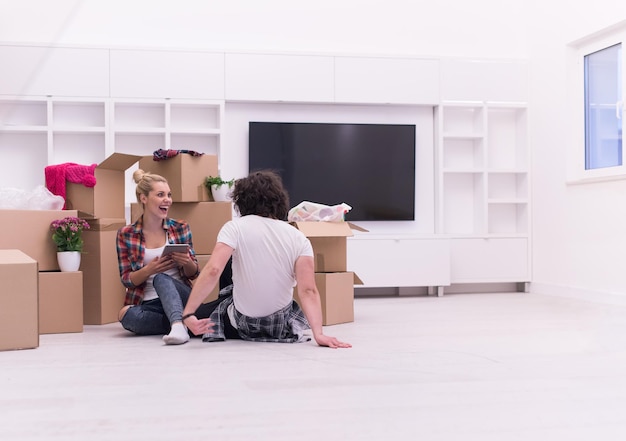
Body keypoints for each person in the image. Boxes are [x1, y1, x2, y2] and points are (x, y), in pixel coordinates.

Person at [181, 170, 351, 349]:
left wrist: (188, 313)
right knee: (236, 260)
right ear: (278, 200)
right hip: (279, 326)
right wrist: (319, 334)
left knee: (226, 263)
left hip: (242, 323)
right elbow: (308, 290)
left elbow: (213, 270)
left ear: (241, 201)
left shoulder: (234, 228)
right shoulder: (299, 237)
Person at [116, 169, 200, 345]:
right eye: (160, 195)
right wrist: (149, 270)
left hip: (181, 297)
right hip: (148, 304)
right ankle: (181, 323)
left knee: (161, 278)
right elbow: (126, 280)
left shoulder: (180, 227)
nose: (167, 200)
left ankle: (178, 324)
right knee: (125, 314)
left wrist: (186, 262)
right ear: (143, 198)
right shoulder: (126, 234)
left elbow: (194, 273)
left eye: (169, 195)